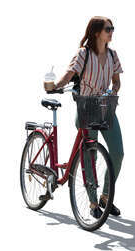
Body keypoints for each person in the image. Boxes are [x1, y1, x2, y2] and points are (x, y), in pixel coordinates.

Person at [45, 16, 124, 218]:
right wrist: (56, 86)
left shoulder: (113, 55)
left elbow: (116, 81)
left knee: (117, 153)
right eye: (108, 29)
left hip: (106, 108)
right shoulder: (84, 53)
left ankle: (106, 197)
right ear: (97, 32)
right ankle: (92, 202)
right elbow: (70, 74)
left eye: (112, 28)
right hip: (86, 107)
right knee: (91, 154)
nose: (112, 32)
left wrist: (113, 90)